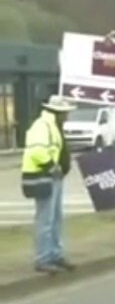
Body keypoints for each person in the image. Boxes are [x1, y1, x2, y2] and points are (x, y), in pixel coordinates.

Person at [21, 96, 76, 274]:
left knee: (56, 219)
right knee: (45, 219)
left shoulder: (53, 126)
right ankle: (43, 258)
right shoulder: (42, 126)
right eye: (66, 113)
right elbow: (37, 150)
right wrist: (52, 166)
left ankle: (55, 254)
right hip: (44, 176)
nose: (68, 116)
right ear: (57, 112)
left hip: (54, 177)